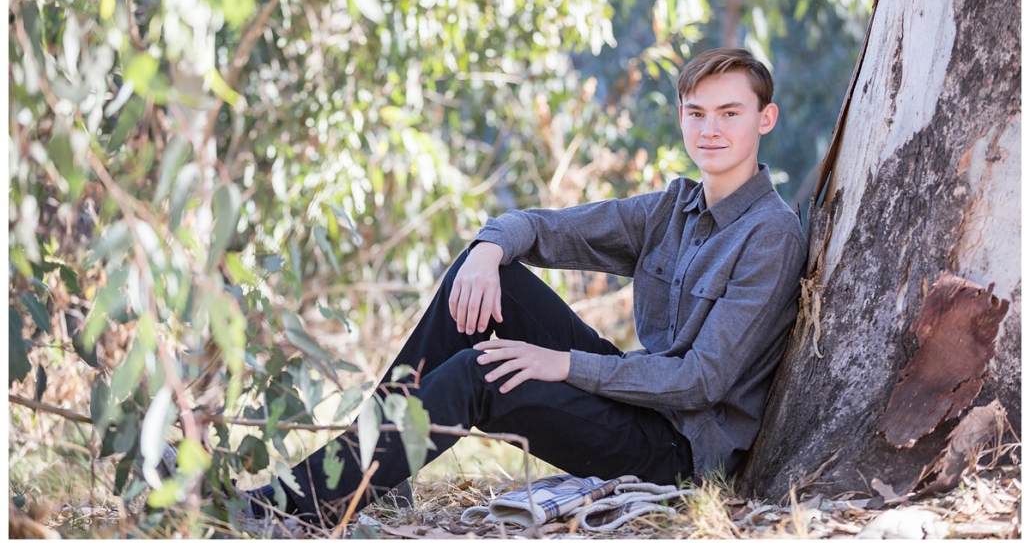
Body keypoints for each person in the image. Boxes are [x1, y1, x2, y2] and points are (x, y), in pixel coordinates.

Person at [243, 47, 807, 527]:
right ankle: (375, 479)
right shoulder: (670, 210)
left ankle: (286, 512)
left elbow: (698, 381)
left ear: (766, 118)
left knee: (480, 373)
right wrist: (487, 250)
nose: (711, 129)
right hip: (635, 400)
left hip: (678, 448)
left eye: (730, 113)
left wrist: (559, 363)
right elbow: (538, 227)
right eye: (698, 112)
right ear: (681, 117)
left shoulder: (770, 235)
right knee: (495, 276)